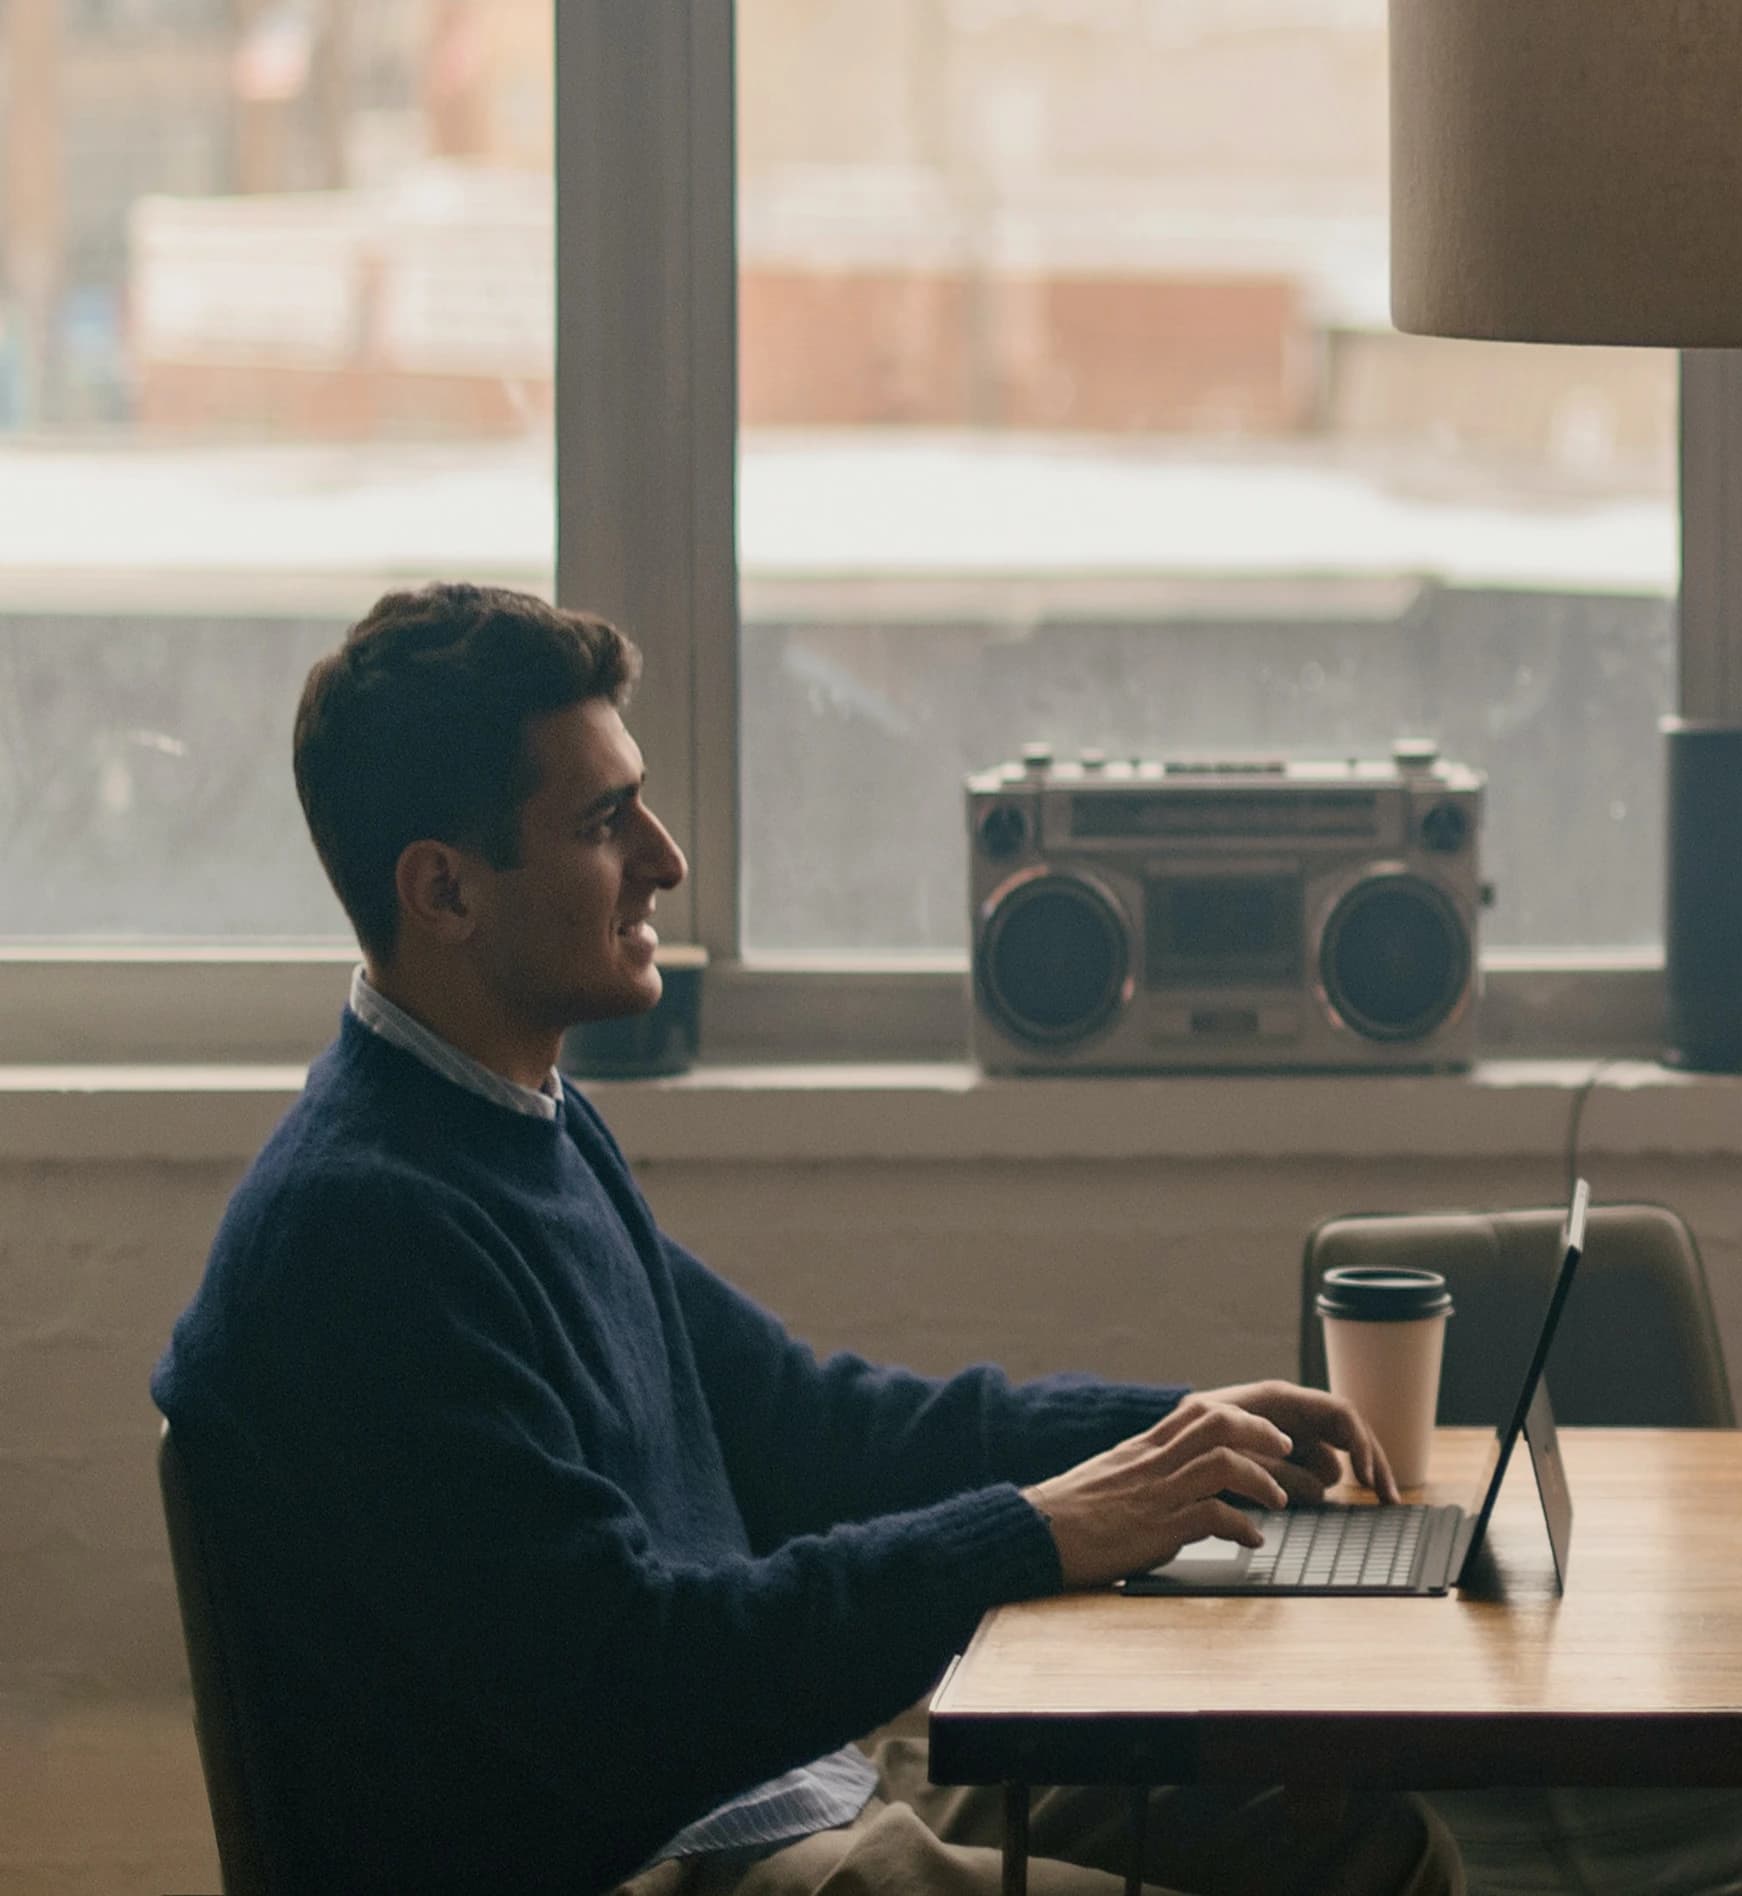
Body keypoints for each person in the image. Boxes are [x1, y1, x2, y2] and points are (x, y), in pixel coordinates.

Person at [151, 585, 1462, 1896]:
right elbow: (633, 1679)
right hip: (653, 1858)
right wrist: (1038, 1529)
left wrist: (1171, 1438)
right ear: (444, 890)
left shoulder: (521, 1131)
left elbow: (820, 1427)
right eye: (606, 822)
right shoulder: (365, 1237)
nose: (665, 859)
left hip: (779, 1798)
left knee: (1358, 1839)